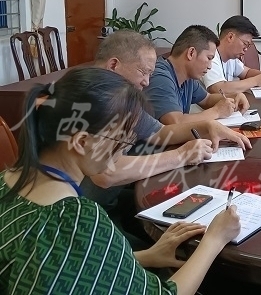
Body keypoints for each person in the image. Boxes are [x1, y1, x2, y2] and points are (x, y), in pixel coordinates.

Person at [0, 68, 243, 295]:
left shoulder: (7, 181)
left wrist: (144, 256)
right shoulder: (74, 219)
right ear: (81, 142)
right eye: (121, 141)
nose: (123, 152)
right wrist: (214, 239)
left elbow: (61, 264)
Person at [82, 30, 250, 247]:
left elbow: (159, 132)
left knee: (187, 219)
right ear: (114, 65)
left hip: (109, 200)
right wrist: (181, 156)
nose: (147, 82)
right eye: (143, 72)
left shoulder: (121, 98)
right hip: (83, 216)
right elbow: (106, 173)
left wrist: (207, 127)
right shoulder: (89, 97)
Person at [145, 25, 249, 125]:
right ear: (191, 53)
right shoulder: (160, 77)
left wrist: (234, 97)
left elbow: (207, 99)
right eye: (209, 58)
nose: (210, 66)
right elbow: (175, 122)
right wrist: (217, 111)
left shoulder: (187, 77)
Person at [202, 15, 261, 94]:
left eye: (248, 46)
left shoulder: (231, 59)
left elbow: (247, 72)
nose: (246, 49)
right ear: (230, 37)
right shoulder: (211, 57)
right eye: (245, 44)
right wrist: (256, 81)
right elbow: (218, 89)